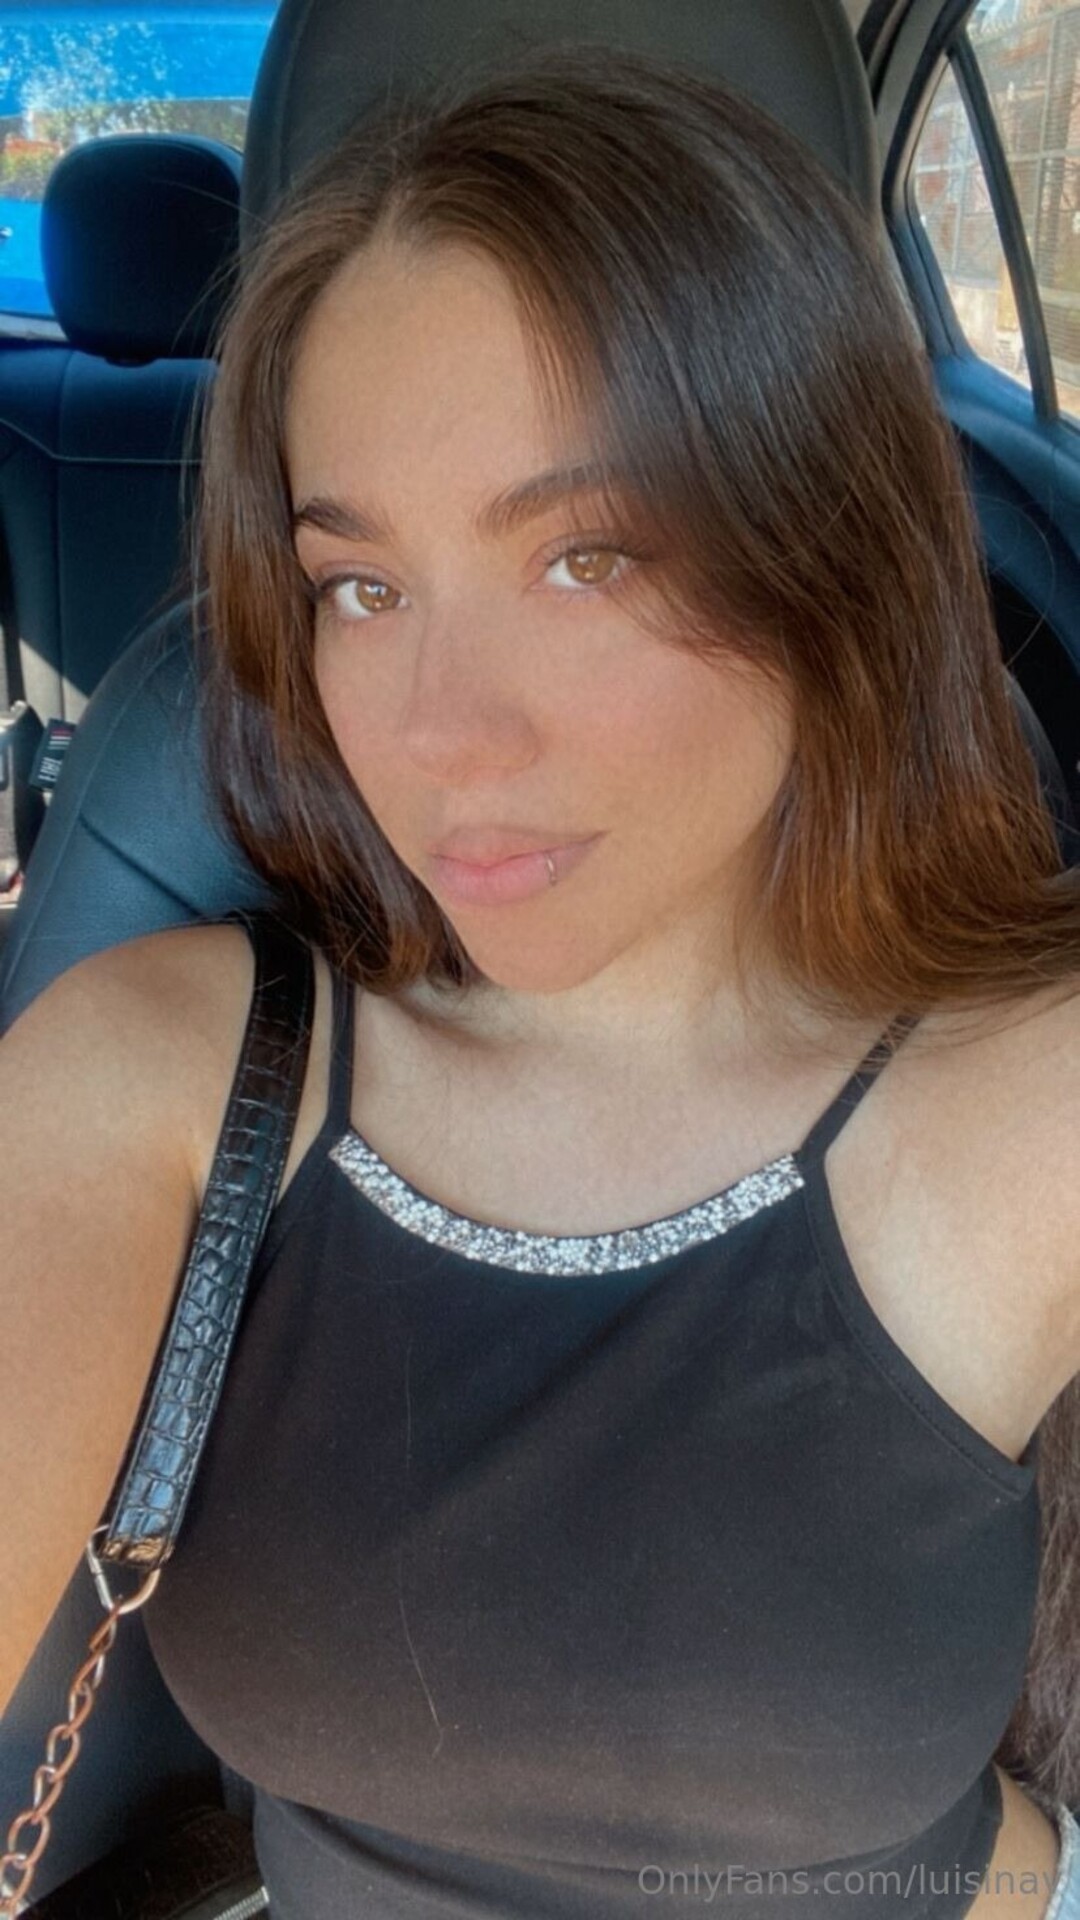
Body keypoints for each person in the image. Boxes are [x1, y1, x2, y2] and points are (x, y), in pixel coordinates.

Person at [4, 42, 1080, 1920]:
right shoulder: (166, 1070)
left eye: (586, 559)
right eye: (362, 588)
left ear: (829, 551)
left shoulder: (1039, 1086)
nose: (443, 738)